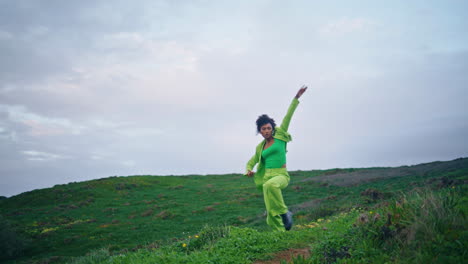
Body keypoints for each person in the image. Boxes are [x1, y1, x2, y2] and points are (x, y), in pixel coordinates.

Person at [245, 85, 307, 231]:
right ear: (259, 131)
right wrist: (248, 169)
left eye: (268, 128)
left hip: (281, 175)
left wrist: (296, 98)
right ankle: (281, 235)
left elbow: (288, 116)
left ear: (272, 127)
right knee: (271, 213)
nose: (266, 131)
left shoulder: (280, 137)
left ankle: (285, 212)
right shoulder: (260, 147)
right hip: (267, 176)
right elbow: (252, 160)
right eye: (263, 129)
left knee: (270, 186)